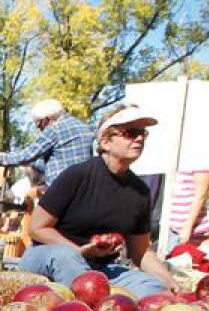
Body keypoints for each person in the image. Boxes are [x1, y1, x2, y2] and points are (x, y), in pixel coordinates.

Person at [20, 104, 174, 298]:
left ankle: (104, 306)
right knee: (65, 258)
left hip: (101, 268)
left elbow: (141, 251)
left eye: (143, 133)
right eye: (131, 132)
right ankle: (91, 310)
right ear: (105, 141)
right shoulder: (77, 175)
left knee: (152, 288)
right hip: (49, 255)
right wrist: (79, 251)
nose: (140, 138)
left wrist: (169, 282)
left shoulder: (139, 191)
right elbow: (37, 228)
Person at [0, 99, 94, 186]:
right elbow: (61, 162)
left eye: (38, 125)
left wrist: (1, 159)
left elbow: (27, 155)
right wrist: (32, 163)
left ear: (46, 120)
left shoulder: (55, 129)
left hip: (63, 190)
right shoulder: (84, 127)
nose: (40, 129)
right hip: (84, 188)